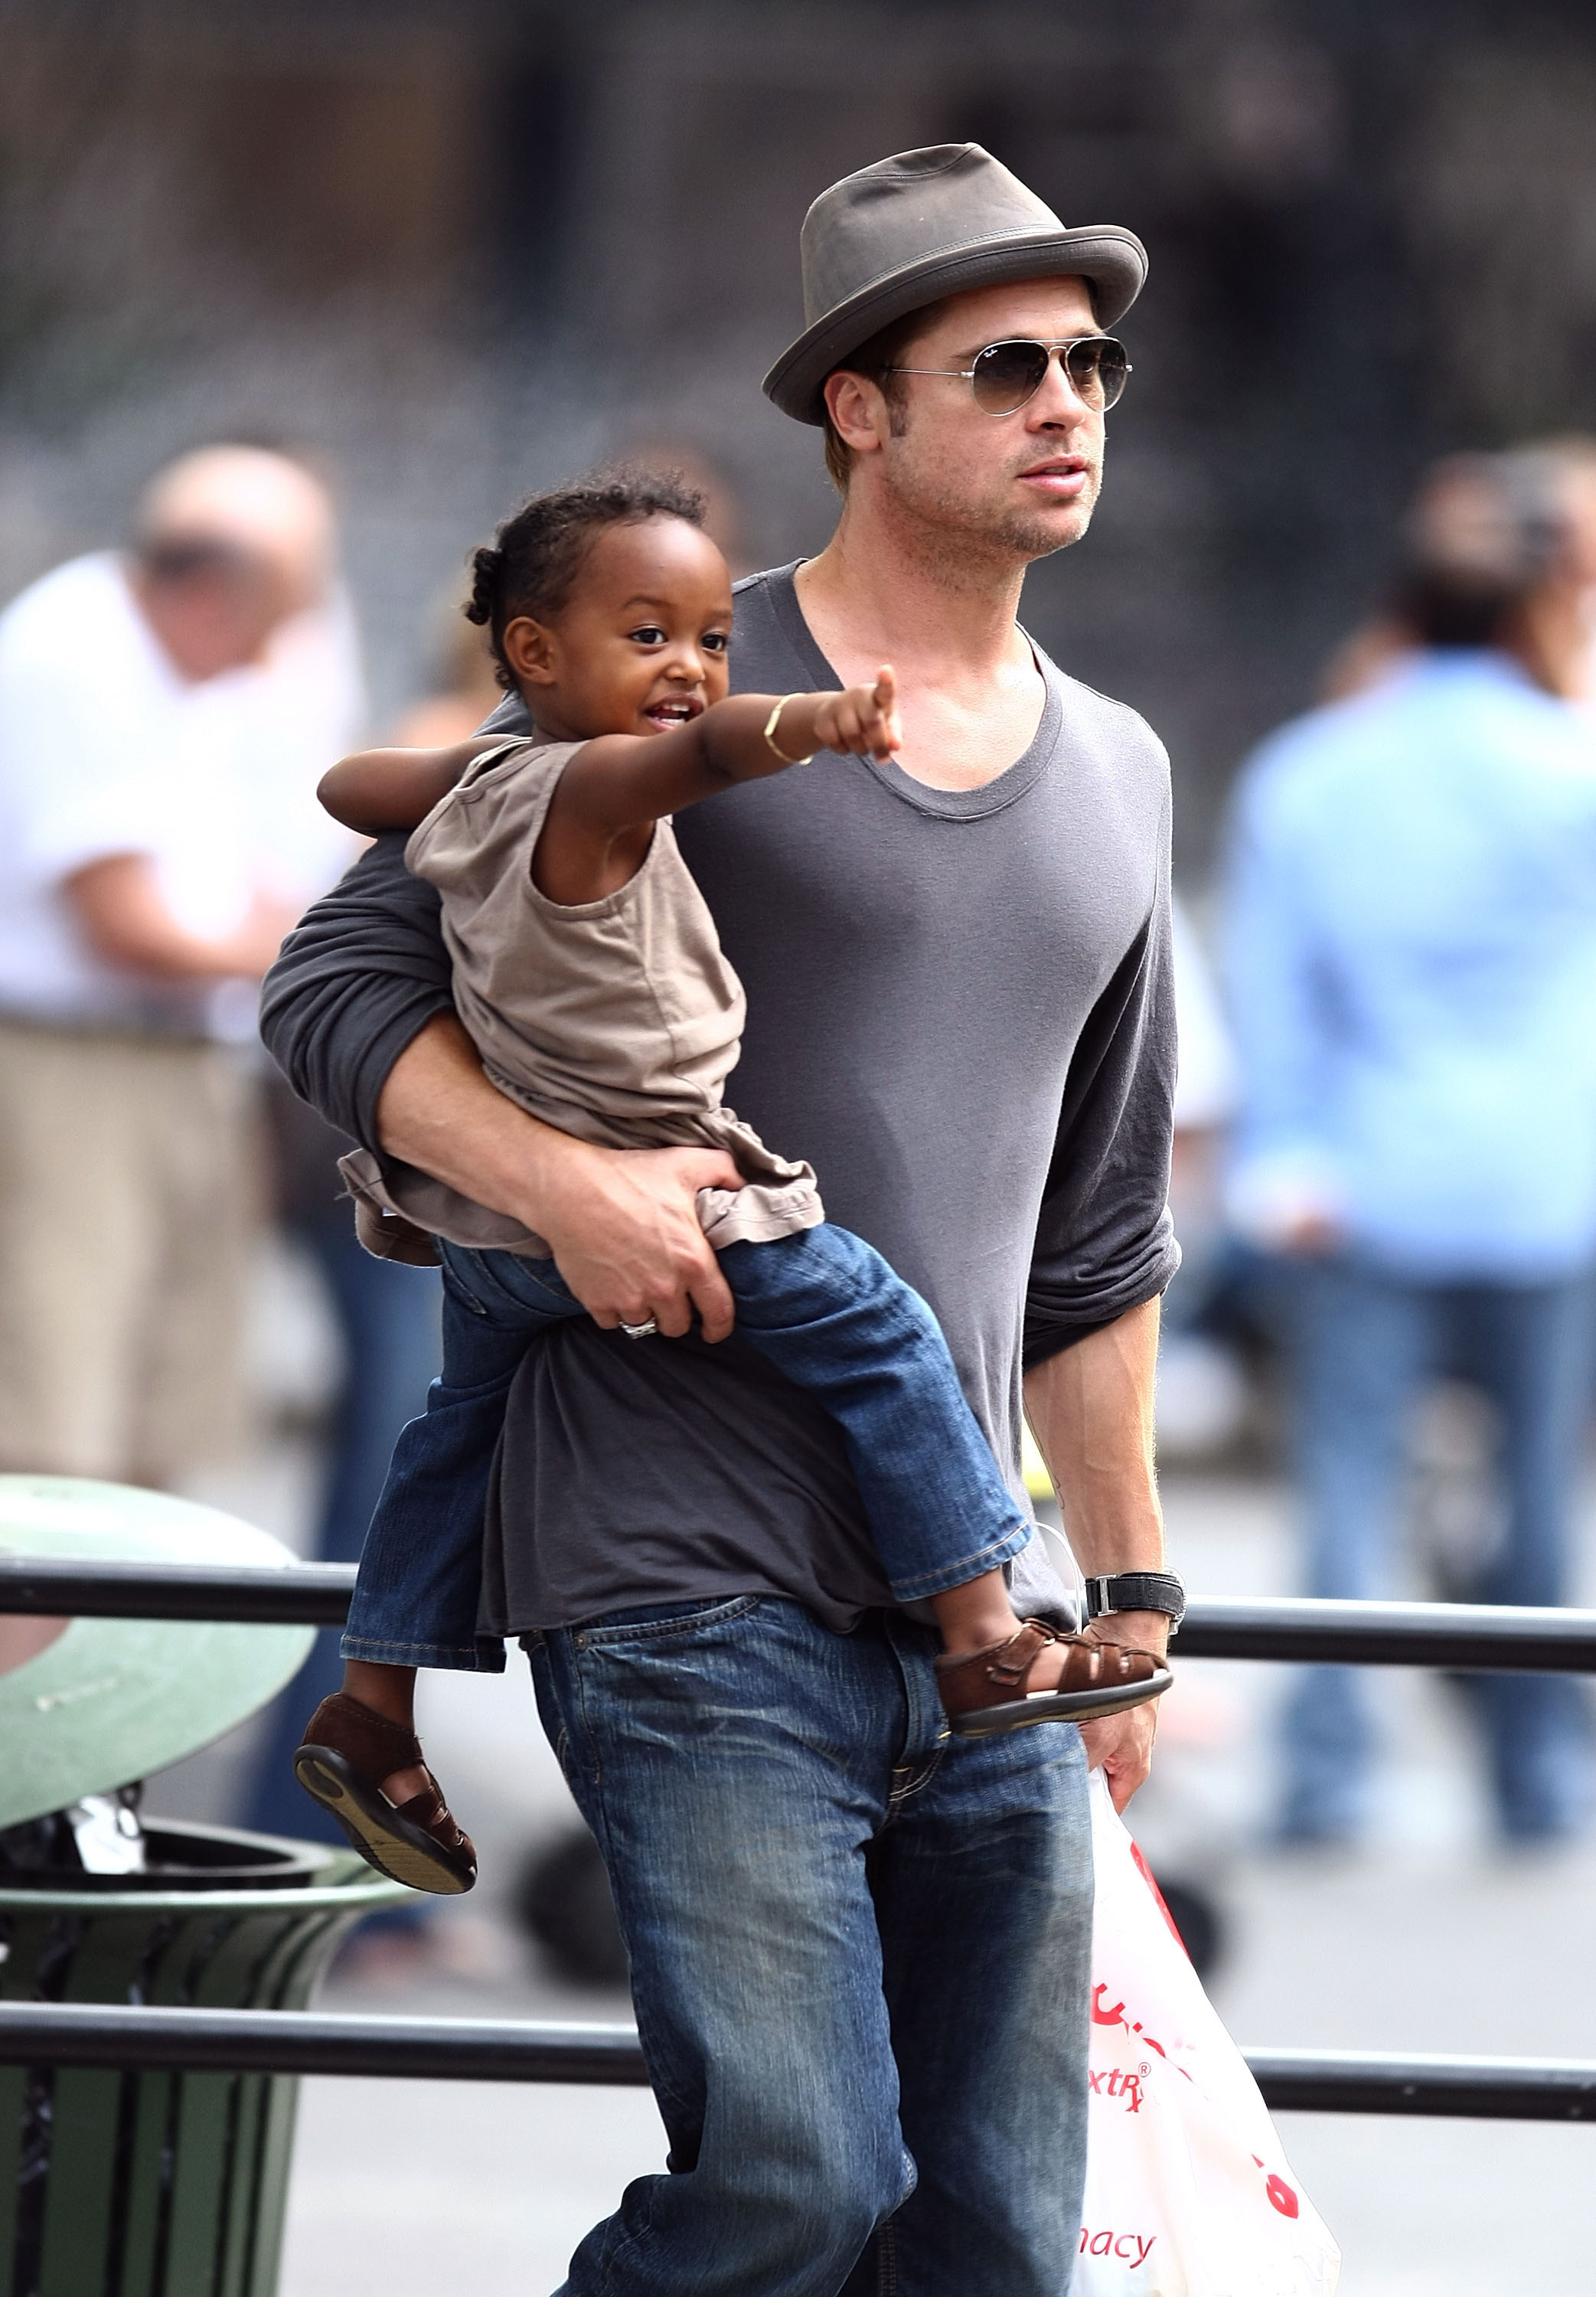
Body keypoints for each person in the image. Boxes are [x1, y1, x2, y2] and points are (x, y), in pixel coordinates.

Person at [263, 142, 1182, 2295]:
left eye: (1090, 366)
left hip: (988, 1605)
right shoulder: (664, 677)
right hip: (680, 1573)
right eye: (1004, 367)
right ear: (857, 408)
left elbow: (1095, 1244)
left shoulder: (1120, 770)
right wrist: (564, 1187)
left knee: (993, 2241)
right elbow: (329, 988)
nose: (1067, 406)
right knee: (787, 2191)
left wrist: (1124, 1572)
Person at [290, 472, 1172, 1893]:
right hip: (660, 1188)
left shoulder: (496, 780)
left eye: (708, 641)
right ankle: (981, 1636)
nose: (696, 671)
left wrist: (471, 762)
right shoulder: (599, 778)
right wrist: (810, 723)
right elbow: (693, 762)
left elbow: (348, 787)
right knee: (884, 1335)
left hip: (493, 1236)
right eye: (651, 638)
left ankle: (372, 1701)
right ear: (534, 655)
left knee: (455, 1431)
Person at [1224, 452, 1596, 1845]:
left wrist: (1285, 1159)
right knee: (1538, 1503)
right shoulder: (1576, 771)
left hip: (1360, 1182)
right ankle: (1540, 1778)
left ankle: (1322, 1774)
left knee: (1344, 1496)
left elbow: (1275, 989)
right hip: (1545, 1186)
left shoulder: (1309, 776)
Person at [0, 444, 337, 1484]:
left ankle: (122, 1652)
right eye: (267, 627)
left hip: (188, 1062)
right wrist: (316, 960)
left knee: (174, 1424)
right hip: (79, 1070)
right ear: (213, 593)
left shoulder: (180, 673)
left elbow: (263, 879)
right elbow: (128, 923)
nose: (262, 662)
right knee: (56, 1428)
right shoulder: (76, 649)